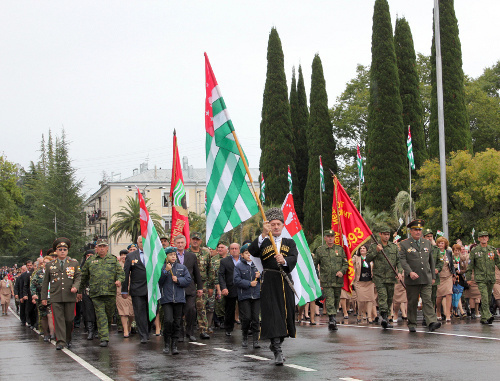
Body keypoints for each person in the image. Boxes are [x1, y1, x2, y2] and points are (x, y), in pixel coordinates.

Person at [248, 207, 297, 366]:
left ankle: (278, 342)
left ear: (283, 226)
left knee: (285, 315)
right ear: (268, 225)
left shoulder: (289, 242)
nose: (276, 227)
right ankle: (277, 350)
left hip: (284, 281)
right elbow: (252, 251)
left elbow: (294, 258)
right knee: (273, 315)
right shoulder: (264, 240)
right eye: (273, 224)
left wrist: (284, 261)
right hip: (269, 282)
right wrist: (262, 234)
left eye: (278, 224)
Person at [79, 238, 124, 347]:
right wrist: (80, 291)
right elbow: (83, 277)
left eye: (104, 246)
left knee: (109, 315)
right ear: (96, 248)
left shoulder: (113, 260)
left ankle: (104, 332)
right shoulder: (90, 261)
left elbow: (121, 273)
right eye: (100, 247)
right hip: (96, 293)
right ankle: (104, 338)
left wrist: (119, 280)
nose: (102, 249)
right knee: (101, 315)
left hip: (110, 292)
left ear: (107, 248)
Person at [399, 220, 440, 333]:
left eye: (419, 230)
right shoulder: (404, 244)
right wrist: (409, 272)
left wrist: (432, 276)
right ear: (411, 231)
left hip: (425, 277)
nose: (418, 232)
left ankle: (431, 322)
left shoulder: (427, 243)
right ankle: (412, 323)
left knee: (427, 300)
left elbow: (431, 261)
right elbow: (402, 260)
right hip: (412, 278)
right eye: (415, 230)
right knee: (412, 302)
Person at [41, 238, 82, 350]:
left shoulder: (74, 263)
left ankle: (67, 338)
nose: (62, 251)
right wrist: (44, 297)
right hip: (56, 296)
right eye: (60, 249)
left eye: (64, 249)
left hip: (69, 296)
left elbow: (78, 276)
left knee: (69, 319)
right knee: (58, 319)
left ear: (67, 251)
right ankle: (60, 341)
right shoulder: (50, 265)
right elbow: (45, 282)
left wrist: (75, 287)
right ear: (56, 251)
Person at [366, 227, 403, 329]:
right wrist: (376, 251)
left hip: (391, 277)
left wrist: (399, 272)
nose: (387, 236)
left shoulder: (394, 247)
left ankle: (385, 315)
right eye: (385, 234)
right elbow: (367, 259)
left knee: (390, 298)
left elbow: (398, 261)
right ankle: (385, 318)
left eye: (388, 234)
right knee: (383, 296)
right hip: (379, 277)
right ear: (380, 234)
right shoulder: (374, 246)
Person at [158, 247, 192, 355]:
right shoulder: (162, 267)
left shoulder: (182, 268)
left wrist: (178, 280)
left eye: (174, 254)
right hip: (166, 299)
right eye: (170, 255)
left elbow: (188, 280)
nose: (173, 256)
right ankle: (166, 343)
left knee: (177, 322)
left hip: (179, 299)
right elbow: (159, 281)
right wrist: (165, 271)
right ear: (166, 256)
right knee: (168, 321)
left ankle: (174, 345)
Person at [314, 229, 348, 331]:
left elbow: (345, 263)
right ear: (325, 238)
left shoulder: (340, 249)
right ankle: (332, 319)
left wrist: (342, 271)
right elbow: (314, 264)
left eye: (332, 236)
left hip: (338, 280)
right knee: (329, 299)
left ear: (334, 238)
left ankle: (333, 316)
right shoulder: (320, 250)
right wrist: (316, 277)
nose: (330, 238)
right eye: (328, 236)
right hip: (326, 280)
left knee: (336, 300)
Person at [466, 231, 500, 324]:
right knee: (484, 296)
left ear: (488, 238)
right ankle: (488, 315)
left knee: (488, 298)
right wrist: (468, 278)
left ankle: (484, 318)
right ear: (479, 239)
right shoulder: (475, 251)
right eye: (482, 237)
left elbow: (498, 262)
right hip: (480, 278)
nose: (484, 238)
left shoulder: (492, 250)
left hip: (491, 277)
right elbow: (470, 266)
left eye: (485, 237)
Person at [173, 234, 203, 342]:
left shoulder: (191, 256)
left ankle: (190, 332)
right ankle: (179, 333)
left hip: (189, 288)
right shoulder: (170, 255)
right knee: (178, 312)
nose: (180, 245)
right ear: (175, 243)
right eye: (178, 243)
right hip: (176, 288)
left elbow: (196, 272)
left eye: (182, 242)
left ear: (185, 244)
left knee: (191, 309)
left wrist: (200, 287)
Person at [122, 237, 151, 344]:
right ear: (137, 243)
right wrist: (124, 290)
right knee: (139, 313)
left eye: (144, 241)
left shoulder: (153, 254)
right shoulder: (131, 256)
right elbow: (125, 274)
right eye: (140, 242)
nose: (142, 243)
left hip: (152, 289)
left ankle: (147, 330)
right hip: (137, 289)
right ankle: (143, 334)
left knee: (151, 312)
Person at [234, 243, 261, 348]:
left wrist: (260, 275)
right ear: (242, 255)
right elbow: (236, 280)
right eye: (246, 253)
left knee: (255, 318)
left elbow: (266, 277)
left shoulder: (258, 265)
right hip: (244, 295)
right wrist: (249, 283)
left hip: (256, 295)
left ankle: (255, 340)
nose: (249, 255)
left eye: (251, 253)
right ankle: (244, 336)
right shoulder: (239, 266)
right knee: (246, 318)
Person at [189, 232, 214, 339]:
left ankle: (203, 330)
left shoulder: (205, 253)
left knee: (201, 307)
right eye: (193, 239)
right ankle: (187, 330)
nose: (195, 241)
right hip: (189, 284)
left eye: (197, 239)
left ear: (200, 241)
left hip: (202, 284)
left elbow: (211, 270)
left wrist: (211, 286)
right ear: (190, 240)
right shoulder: (186, 253)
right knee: (188, 308)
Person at [30, 256, 55, 341]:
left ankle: (52, 333)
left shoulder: (54, 272)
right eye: (44, 262)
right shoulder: (38, 273)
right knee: (43, 316)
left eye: (47, 262)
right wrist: (34, 294)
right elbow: (33, 284)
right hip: (41, 297)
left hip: (51, 297)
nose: (45, 264)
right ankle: (46, 333)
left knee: (50, 315)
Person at [219, 242, 240, 337]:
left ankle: (247, 328)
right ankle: (228, 328)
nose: (234, 250)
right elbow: (221, 276)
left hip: (243, 288)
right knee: (229, 309)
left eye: (236, 248)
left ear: (239, 250)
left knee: (244, 309)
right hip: (230, 289)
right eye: (232, 249)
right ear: (229, 250)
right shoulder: (224, 261)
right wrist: (223, 288)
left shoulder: (244, 260)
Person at [435, 236, 456, 322]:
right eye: (439, 243)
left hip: (448, 276)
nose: (440, 244)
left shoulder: (449, 252)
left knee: (449, 293)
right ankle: (438, 310)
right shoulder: (435, 252)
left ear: (445, 244)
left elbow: (451, 264)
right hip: (439, 276)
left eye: (442, 243)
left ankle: (448, 313)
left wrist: (454, 274)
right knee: (439, 296)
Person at [353, 245, 375, 323]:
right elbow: (350, 264)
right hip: (359, 282)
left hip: (369, 282)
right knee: (361, 300)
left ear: (367, 250)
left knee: (370, 299)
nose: (362, 249)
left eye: (364, 248)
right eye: (361, 248)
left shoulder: (370, 258)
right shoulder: (356, 257)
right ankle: (359, 313)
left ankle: (369, 316)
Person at [116, 249, 134, 338]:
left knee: (131, 313)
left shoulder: (133, 264)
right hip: (120, 291)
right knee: (123, 312)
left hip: (132, 290)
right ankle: (125, 330)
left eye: (125, 254)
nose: (124, 256)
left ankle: (129, 325)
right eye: (122, 254)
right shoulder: (117, 266)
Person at [80, 250, 98, 340]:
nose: (89, 257)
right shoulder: (82, 267)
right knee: (88, 311)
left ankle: (97, 330)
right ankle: (90, 330)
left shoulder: (99, 265)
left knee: (98, 311)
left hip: (98, 291)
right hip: (86, 291)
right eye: (88, 255)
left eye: (91, 255)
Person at [211, 241, 228, 329]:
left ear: (226, 249)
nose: (220, 249)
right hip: (216, 284)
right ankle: (218, 320)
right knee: (218, 303)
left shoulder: (230, 258)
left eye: (222, 247)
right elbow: (213, 273)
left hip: (228, 283)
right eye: (219, 247)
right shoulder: (214, 259)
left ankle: (227, 320)